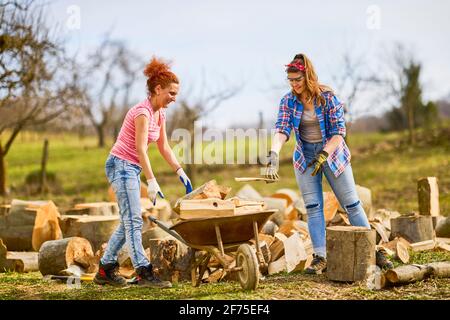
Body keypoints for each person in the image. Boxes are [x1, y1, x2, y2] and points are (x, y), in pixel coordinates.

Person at [265, 53, 393, 274]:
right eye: (291, 80)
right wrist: (273, 153)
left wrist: (323, 154)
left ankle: (373, 250)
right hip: (305, 157)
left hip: (333, 154)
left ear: (308, 76)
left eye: (298, 80)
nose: (294, 85)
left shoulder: (328, 97)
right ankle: (320, 257)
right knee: (313, 207)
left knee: (352, 204)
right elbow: (282, 130)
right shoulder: (287, 101)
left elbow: (338, 133)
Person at [94, 57, 193, 287]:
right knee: (133, 220)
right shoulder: (142, 112)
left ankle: (105, 269)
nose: (174, 98)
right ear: (158, 89)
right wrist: (152, 180)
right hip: (121, 164)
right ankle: (143, 271)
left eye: (176, 94)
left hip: (132, 166)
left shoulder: (160, 114)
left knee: (127, 220)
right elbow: (140, 148)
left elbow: (164, 146)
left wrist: (180, 170)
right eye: (171, 93)